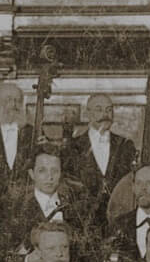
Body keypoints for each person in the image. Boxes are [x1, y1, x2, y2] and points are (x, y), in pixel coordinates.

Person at [59, 93, 138, 230]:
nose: (105, 114)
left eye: (109, 110)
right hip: (83, 223)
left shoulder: (126, 145)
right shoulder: (72, 147)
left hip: (119, 219)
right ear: (87, 113)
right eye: (99, 109)